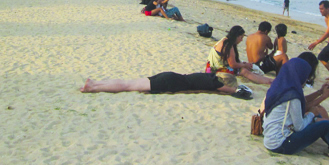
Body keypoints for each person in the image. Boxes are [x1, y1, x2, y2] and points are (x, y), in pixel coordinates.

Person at [261, 52, 329, 165]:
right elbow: (299, 127)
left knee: (318, 119)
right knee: (324, 124)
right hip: (281, 144)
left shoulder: (281, 87)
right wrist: (313, 113)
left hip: (270, 140)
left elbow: (302, 103)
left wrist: (320, 93)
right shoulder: (292, 95)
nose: (306, 79)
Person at [80, 72, 254, 99]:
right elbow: (231, 91)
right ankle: (93, 87)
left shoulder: (208, 76)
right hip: (169, 81)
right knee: (128, 85)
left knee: (130, 83)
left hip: (169, 77)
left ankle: (95, 84)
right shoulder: (214, 83)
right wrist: (237, 90)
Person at [207, 25, 272, 87]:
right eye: (241, 37)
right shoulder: (228, 46)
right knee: (244, 71)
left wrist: (242, 64)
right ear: (237, 36)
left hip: (211, 66)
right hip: (215, 69)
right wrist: (244, 65)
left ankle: (268, 80)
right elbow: (232, 64)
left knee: (244, 68)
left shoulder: (225, 40)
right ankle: (268, 81)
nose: (241, 40)